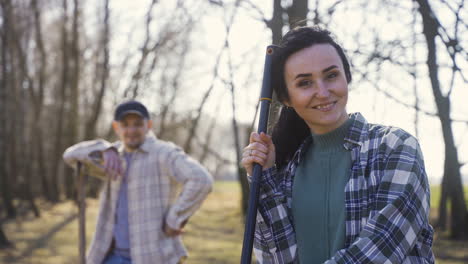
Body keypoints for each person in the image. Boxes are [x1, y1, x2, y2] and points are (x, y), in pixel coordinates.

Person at [241, 26, 434, 263]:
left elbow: (382, 249)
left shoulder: (394, 147)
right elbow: (277, 259)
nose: (322, 92)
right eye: (304, 83)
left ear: (347, 77)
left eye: (331, 75)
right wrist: (266, 179)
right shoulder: (287, 169)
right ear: (286, 99)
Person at [63, 100, 213, 264]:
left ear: (149, 125)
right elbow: (70, 156)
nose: (131, 130)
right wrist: (105, 149)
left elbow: (201, 180)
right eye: (125, 125)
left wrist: (174, 218)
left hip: (152, 257)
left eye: (137, 124)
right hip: (110, 256)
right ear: (116, 127)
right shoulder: (111, 157)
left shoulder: (164, 153)